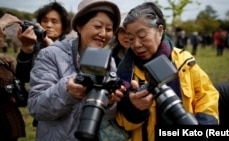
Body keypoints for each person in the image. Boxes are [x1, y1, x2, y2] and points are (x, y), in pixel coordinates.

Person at [115, 2, 219, 141]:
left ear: (160, 30)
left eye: (142, 36)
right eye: (131, 39)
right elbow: (121, 122)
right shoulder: (125, 72)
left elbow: (207, 97)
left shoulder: (184, 62)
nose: (137, 44)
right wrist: (133, 108)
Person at [27, 0, 128, 140]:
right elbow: (36, 108)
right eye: (97, 26)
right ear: (79, 26)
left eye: (109, 29)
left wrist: (110, 101)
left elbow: (106, 116)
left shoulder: (108, 60)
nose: (103, 34)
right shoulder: (51, 55)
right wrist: (67, 91)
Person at [16, 1, 71, 93]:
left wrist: (50, 44)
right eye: (44, 21)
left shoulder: (70, 48)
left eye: (54, 22)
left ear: (64, 26)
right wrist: (27, 47)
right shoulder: (36, 45)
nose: (48, 25)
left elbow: (67, 77)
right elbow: (23, 77)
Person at [0, 13, 26, 141]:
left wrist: (26, 48)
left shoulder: (5, 62)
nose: (4, 34)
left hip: (9, 122)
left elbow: (21, 78)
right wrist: (2, 23)